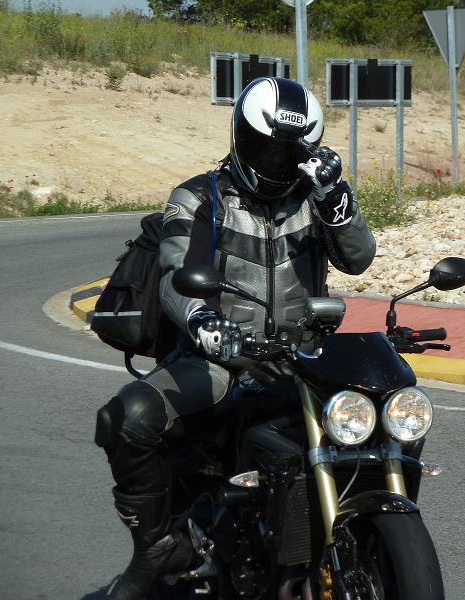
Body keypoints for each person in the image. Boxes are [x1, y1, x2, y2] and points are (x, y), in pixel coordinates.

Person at [93, 76, 376, 600]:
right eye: (263, 148)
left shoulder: (314, 198)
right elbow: (177, 274)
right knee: (129, 416)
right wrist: (205, 324)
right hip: (222, 359)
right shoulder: (201, 197)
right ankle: (155, 546)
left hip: (304, 357)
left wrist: (337, 197)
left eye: (286, 152)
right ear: (240, 137)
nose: (273, 163)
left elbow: (358, 258)